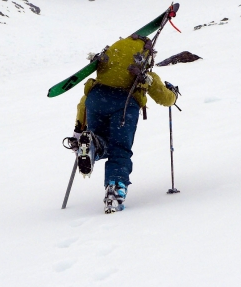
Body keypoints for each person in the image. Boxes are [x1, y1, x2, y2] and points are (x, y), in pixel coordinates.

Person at [70, 34, 178, 213]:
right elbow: (164, 97)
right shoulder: (143, 73)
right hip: (125, 105)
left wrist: (79, 129)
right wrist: (173, 93)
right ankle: (115, 191)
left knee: (99, 139)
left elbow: (83, 102)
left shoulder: (105, 69)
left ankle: (91, 145)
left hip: (96, 100)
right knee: (119, 150)